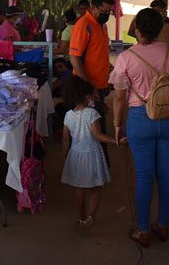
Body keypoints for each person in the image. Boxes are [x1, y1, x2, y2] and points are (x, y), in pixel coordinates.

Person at [111, 8, 169, 246]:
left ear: (137, 29)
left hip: (140, 119)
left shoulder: (126, 57)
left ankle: (143, 230)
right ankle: (162, 226)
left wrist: (117, 124)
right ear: (159, 29)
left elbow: (119, 97)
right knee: (165, 173)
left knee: (144, 175)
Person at [61, 76, 120, 230]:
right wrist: (115, 141)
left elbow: (65, 139)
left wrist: (66, 156)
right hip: (92, 155)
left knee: (78, 188)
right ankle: (90, 217)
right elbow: (98, 135)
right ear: (87, 96)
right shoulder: (92, 114)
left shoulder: (68, 115)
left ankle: (81, 218)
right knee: (96, 187)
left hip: (75, 155)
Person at [70, 0, 114, 165]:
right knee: (89, 132)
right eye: (104, 12)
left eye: (109, 12)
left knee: (98, 128)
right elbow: (74, 58)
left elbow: (97, 52)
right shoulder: (83, 24)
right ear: (93, 7)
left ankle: (99, 167)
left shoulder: (102, 26)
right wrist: (89, 87)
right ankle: (88, 168)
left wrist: (107, 71)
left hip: (99, 86)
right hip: (86, 89)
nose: (107, 15)